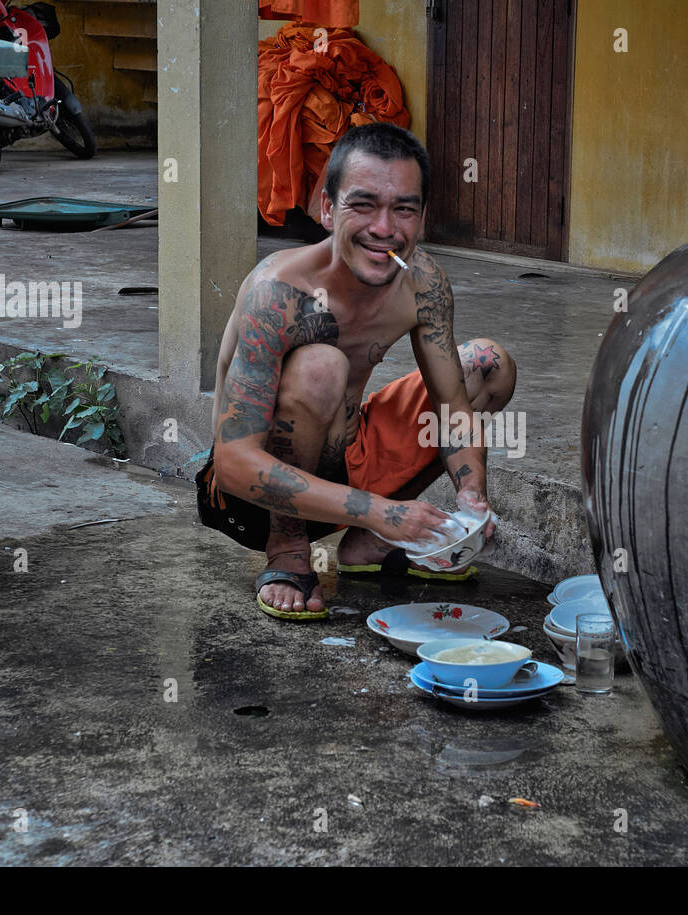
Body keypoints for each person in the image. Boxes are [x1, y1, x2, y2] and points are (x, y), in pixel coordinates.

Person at [195, 123, 517, 620]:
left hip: (345, 456)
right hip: (248, 496)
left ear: (422, 217)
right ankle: (288, 547)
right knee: (322, 365)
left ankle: (366, 545)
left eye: (403, 209)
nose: (384, 228)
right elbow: (234, 462)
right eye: (362, 205)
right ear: (327, 209)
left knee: (488, 363)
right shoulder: (277, 292)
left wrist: (471, 495)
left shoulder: (423, 282)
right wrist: (384, 511)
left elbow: (452, 407)